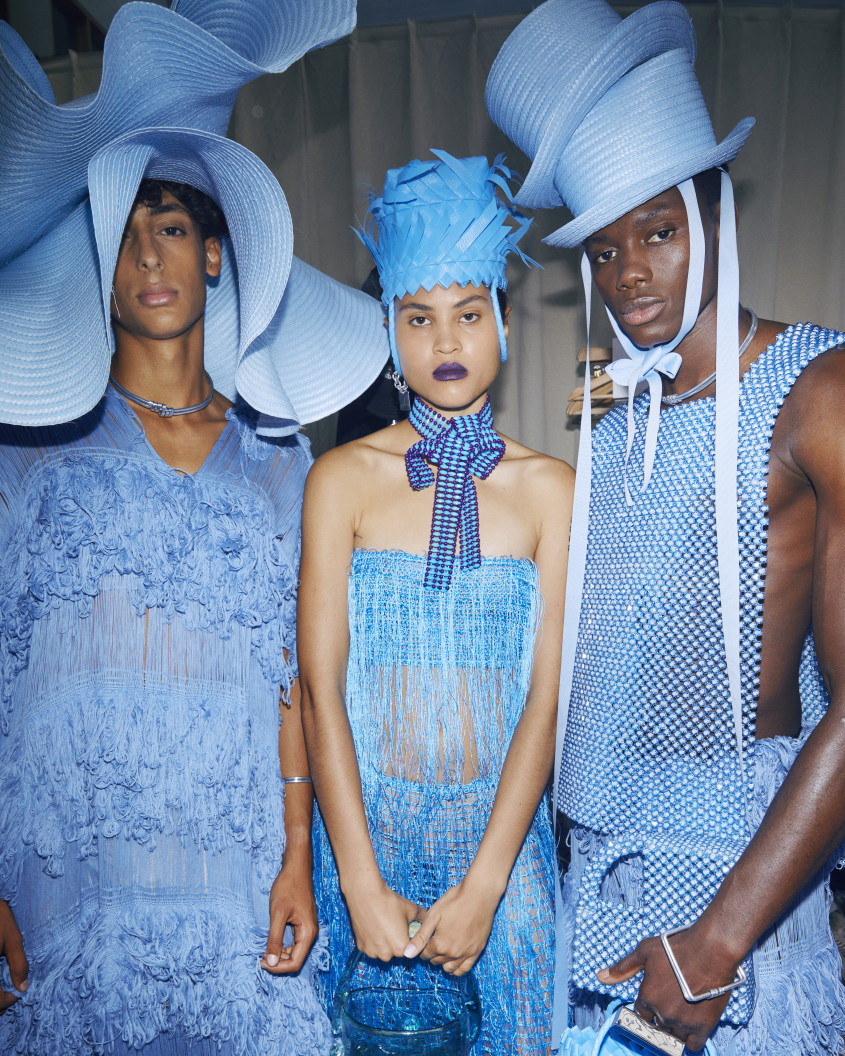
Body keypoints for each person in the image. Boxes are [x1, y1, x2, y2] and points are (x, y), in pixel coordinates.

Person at [486, 1, 845, 1053]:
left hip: (734, 914)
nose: (627, 275)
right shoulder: (605, 414)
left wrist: (715, 944)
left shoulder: (815, 388)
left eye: (656, 233)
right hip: (593, 907)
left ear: (716, 220)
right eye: (601, 251)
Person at [298, 151, 575, 1055]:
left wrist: (490, 881)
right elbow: (320, 686)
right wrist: (359, 880)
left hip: (506, 863)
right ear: (389, 330)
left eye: (466, 315)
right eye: (418, 318)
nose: (444, 342)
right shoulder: (338, 478)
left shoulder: (552, 490)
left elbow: (548, 698)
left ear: (503, 322)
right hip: (367, 855)